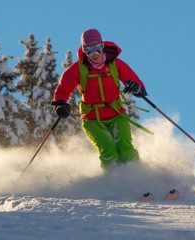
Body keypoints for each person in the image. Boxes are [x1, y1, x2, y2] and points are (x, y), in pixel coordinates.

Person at [52, 28, 147, 170]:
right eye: (89, 50)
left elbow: (136, 84)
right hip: (92, 119)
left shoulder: (115, 64)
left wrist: (137, 88)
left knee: (125, 147)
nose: (94, 54)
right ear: (84, 51)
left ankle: (138, 178)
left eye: (97, 48)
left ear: (102, 46)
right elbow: (63, 88)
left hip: (116, 115)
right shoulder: (78, 69)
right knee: (109, 150)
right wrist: (60, 104)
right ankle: (113, 183)